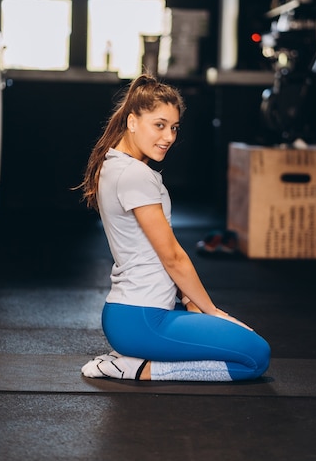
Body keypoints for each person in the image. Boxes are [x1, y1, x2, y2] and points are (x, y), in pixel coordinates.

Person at [80, 74, 270, 382]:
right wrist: (212, 311)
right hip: (142, 318)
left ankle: (131, 361)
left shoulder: (113, 164)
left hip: (134, 315)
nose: (169, 136)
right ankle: (134, 368)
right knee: (255, 357)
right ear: (132, 122)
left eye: (174, 127)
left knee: (248, 351)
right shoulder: (134, 175)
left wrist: (189, 300)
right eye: (159, 125)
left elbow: (153, 250)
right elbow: (171, 256)